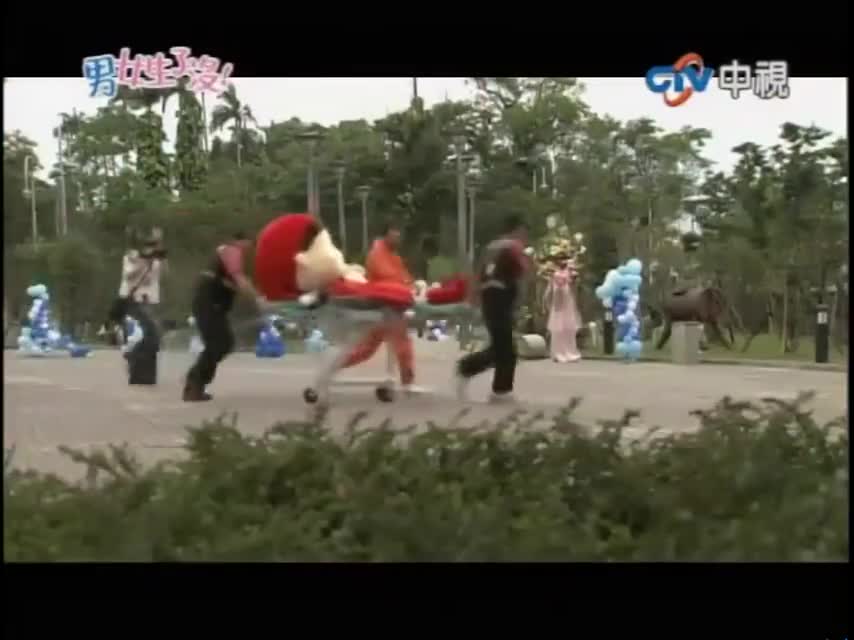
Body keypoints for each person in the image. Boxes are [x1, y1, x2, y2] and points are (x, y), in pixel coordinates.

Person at [183, 231, 267, 402]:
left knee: (222, 343)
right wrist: (259, 299)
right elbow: (240, 279)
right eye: (251, 244)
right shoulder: (231, 250)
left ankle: (195, 381)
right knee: (219, 343)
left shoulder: (228, 256)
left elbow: (236, 284)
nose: (251, 249)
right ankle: (194, 382)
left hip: (212, 305)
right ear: (241, 241)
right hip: (208, 303)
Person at [456, 215, 531, 403]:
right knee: (504, 348)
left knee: (502, 347)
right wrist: (520, 300)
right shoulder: (514, 247)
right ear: (518, 230)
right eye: (523, 232)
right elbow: (523, 273)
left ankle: (498, 388)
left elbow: (478, 274)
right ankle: (471, 370)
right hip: (502, 297)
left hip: (489, 297)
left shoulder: (491, 247)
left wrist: (473, 297)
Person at [342, 220, 419, 391]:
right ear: (385, 236)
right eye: (394, 236)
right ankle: (407, 383)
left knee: (369, 349)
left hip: (389, 306)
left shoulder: (394, 257)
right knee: (377, 347)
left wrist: (411, 286)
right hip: (383, 305)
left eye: (399, 236)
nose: (397, 240)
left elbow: (405, 278)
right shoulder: (377, 254)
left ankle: (333, 365)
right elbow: (390, 278)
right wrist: (406, 286)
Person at [114, 230, 166, 385]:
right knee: (145, 335)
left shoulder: (155, 260)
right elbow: (128, 276)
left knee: (154, 338)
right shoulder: (131, 257)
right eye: (149, 245)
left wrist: (157, 258)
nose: (151, 248)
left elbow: (158, 276)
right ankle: (133, 361)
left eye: (153, 245)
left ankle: (146, 376)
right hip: (133, 301)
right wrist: (144, 262)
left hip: (149, 301)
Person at [543, 255, 582, 363]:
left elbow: (574, 287)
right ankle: (558, 352)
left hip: (567, 302)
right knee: (558, 329)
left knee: (568, 328)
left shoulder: (570, 272)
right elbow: (550, 289)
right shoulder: (554, 274)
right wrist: (546, 301)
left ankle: (569, 352)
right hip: (558, 303)